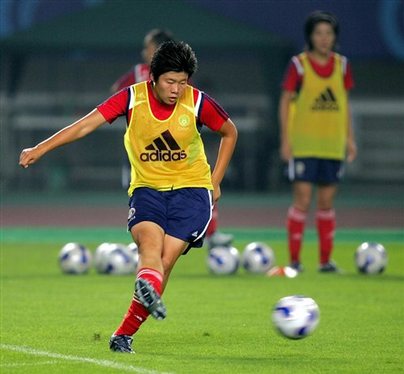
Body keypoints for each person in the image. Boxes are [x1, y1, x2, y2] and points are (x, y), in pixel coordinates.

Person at [19, 40, 237, 353]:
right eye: (170, 82)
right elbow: (85, 125)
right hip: (146, 190)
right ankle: (144, 293)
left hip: (192, 193)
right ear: (154, 77)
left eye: (183, 82)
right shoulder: (133, 97)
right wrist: (41, 148)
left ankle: (124, 333)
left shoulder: (197, 102)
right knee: (149, 248)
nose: (176, 89)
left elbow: (230, 132)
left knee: (163, 263)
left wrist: (215, 180)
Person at [111, 28, 234, 250]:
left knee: (197, 180)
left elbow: (215, 121)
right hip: (145, 146)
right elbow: (118, 95)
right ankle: (147, 237)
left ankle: (207, 232)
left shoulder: (174, 82)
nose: (144, 52)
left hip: (176, 142)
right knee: (143, 190)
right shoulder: (140, 77)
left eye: (148, 48)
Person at [279, 11, 357, 273]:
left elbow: (344, 104)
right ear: (310, 37)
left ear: (334, 37)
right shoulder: (298, 65)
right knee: (302, 200)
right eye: (319, 33)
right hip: (304, 145)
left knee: (326, 202)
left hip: (332, 146)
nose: (324, 39)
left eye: (329, 33)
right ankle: (295, 261)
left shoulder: (342, 65)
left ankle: (325, 262)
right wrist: (285, 140)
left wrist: (350, 139)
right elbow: (285, 102)